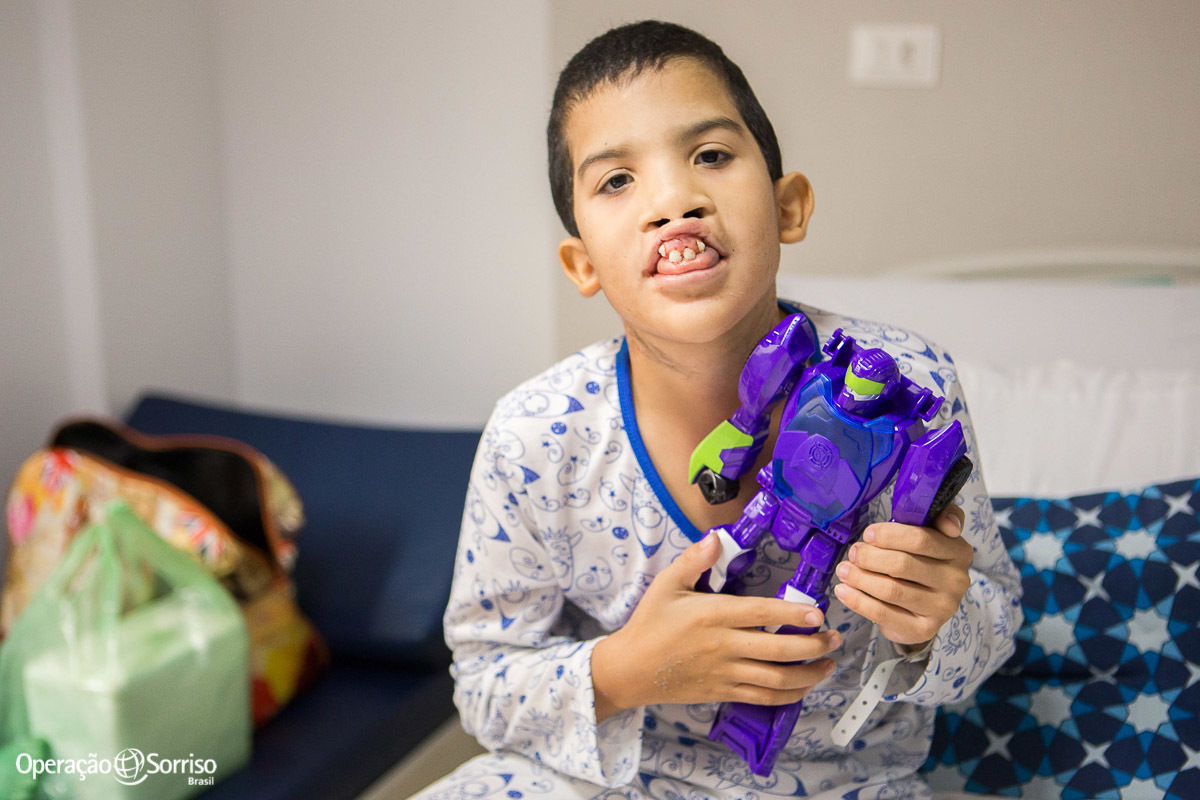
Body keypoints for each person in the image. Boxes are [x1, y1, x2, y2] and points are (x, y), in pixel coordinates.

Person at [413, 20, 1021, 800]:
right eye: (616, 181)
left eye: (710, 155)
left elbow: (995, 623)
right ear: (583, 263)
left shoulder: (907, 385)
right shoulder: (536, 436)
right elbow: (486, 684)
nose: (673, 199)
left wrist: (933, 621)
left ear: (790, 207)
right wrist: (626, 670)